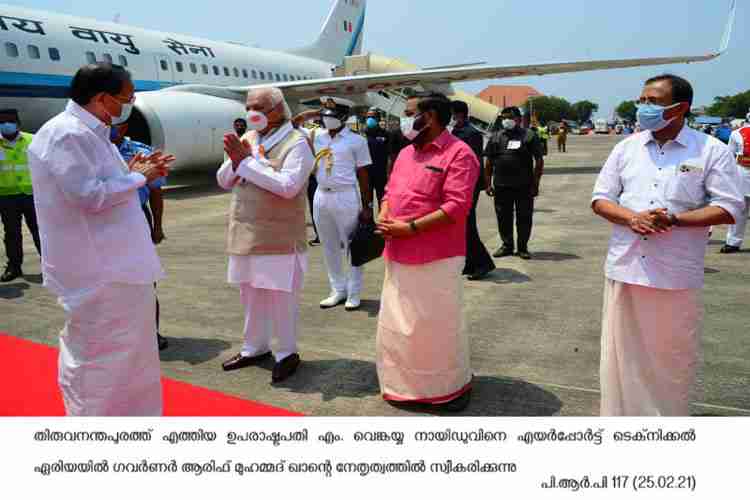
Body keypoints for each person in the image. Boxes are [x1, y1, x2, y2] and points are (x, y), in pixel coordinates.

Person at [591, 74, 744, 416]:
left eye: (654, 102)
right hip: (625, 267)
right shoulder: (626, 147)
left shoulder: (710, 151)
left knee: (669, 358)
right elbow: (600, 199)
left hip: (674, 274)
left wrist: (675, 219)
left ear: (681, 109)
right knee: (621, 357)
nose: (643, 107)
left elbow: (730, 207)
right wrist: (632, 218)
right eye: (642, 100)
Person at [28, 63, 174, 416]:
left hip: (120, 266)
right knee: (100, 361)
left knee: (132, 356)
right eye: (128, 96)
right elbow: (88, 195)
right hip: (99, 271)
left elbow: (105, 186)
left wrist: (132, 171)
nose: (132, 101)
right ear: (103, 98)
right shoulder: (68, 134)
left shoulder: (94, 132)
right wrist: (138, 178)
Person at [376, 92, 478, 411]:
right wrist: (384, 210)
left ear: (430, 116)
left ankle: (445, 390)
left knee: (435, 328)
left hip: (437, 254)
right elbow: (391, 190)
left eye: (409, 113)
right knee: (399, 327)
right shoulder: (406, 153)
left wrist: (412, 228)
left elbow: (457, 206)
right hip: (398, 252)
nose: (403, 119)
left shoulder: (459, 154)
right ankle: (403, 387)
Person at [218, 87, 314, 383]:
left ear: (277, 109)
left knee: (281, 298)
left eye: (258, 107)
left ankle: (286, 353)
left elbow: (288, 186)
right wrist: (237, 162)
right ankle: (254, 348)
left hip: (279, 235)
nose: (251, 113)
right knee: (251, 295)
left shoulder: (297, 142)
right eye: (248, 107)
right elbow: (223, 180)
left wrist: (247, 163)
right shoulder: (248, 138)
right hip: (245, 232)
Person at [293, 97, 373, 311]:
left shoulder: (357, 141)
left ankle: (354, 292)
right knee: (329, 246)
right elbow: (292, 126)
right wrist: (313, 114)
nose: (327, 121)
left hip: (346, 196)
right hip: (321, 195)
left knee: (352, 246)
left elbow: (364, 174)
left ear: (344, 118)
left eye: (332, 116)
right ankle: (338, 289)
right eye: (325, 117)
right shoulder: (316, 136)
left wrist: (367, 205)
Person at [110, 117, 169, 351]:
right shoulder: (94, 151)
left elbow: (155, 192)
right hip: (105, 220)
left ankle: (150, 332)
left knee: (143, 278)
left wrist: (157, 226)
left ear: (124, 126)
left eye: (113, 124)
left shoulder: (141, 152)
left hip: (136, 216)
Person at [484, 106, 544, 260]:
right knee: (503, 216)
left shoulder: (529, 136)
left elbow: (539, 160)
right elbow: (489, 161)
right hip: (501, 186)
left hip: (524, 185)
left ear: (518, 119)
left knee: (524, 217)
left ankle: (522, 247)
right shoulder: (496, 136)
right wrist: (487, 183)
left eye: (509, 117)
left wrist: (536, 183)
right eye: (503, 118)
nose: (506, 121)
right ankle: (507, 246)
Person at [450, 100, 495, 280]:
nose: (451, 118)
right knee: (461, 225)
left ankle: (483, 263)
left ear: (459, 114)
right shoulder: (457, 131)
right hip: (459, 184)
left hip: (469, 185)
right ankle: (470, 263)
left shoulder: (472, 133)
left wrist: (475, 185)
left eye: (453, 114)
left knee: (468, 225)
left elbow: (474, 162)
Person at [0, 109, 41, 282]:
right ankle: (14, 266)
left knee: (40, 231)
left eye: (10, 121)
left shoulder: (33, 140)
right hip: (6, 196)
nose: (6, 125)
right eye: (2, 121)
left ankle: (50, 265)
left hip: (32, 194)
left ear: (18, 123)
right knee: (11, 233)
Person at [721, 111, 750, 253]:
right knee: (740, 210)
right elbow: (729, 157)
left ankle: (733, 242)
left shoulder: (736, 133)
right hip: (741, 174)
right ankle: (733, 242)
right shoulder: (736, 133)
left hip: (741, 174)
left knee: (740, 211)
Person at [364, 108, 391, 211]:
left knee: (382, 199)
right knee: (367, 199)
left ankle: (382, 220)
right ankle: (369, 221)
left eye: (372, 117)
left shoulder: (385, 134)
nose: (370, 119)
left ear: (378, 119)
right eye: (368, 117)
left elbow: (390, 154)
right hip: (366, 173)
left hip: (381, 173)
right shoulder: (362, 134)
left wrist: (389, 173)